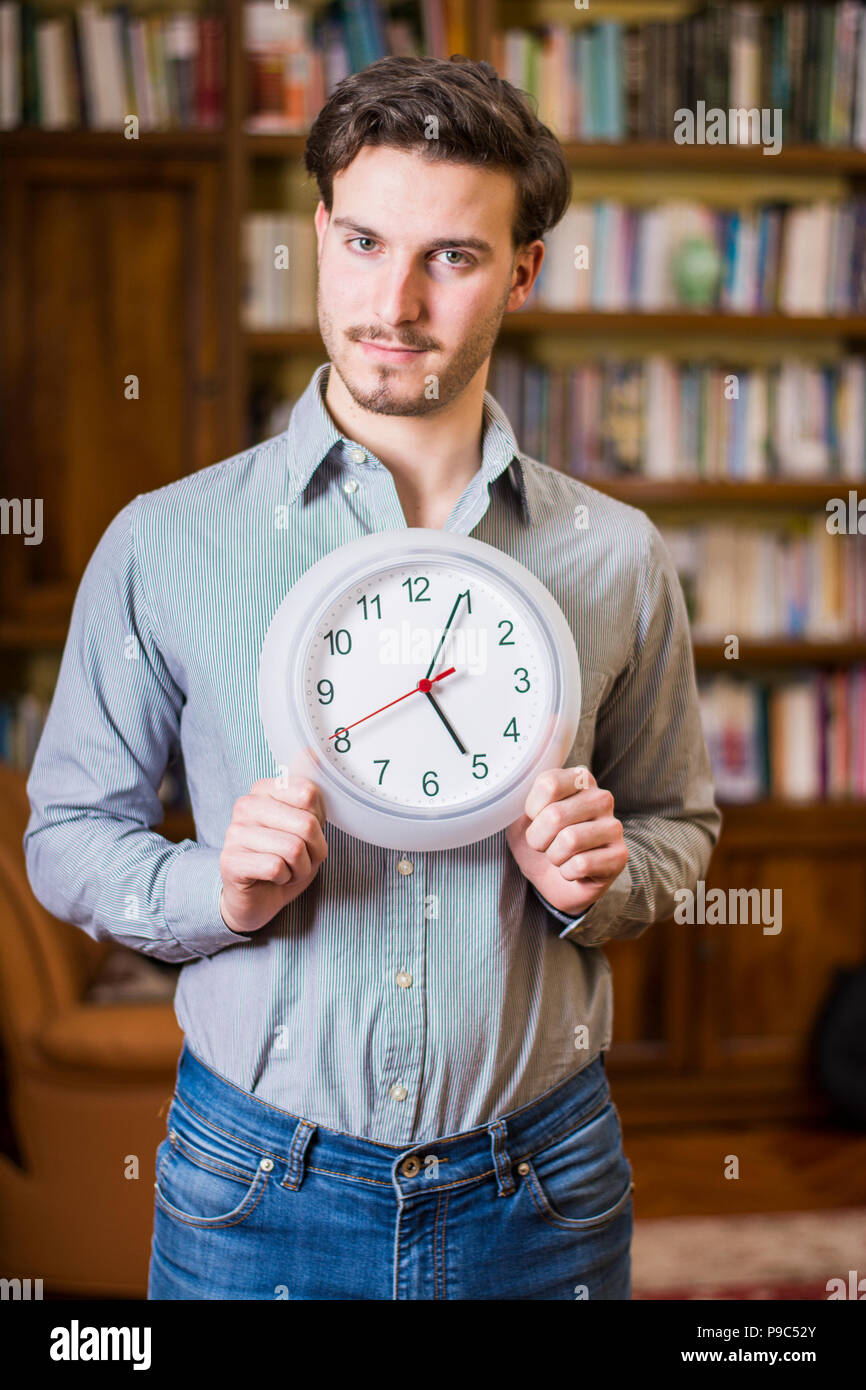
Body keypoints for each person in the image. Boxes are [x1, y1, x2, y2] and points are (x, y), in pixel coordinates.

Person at [24, 54, 721, 1300]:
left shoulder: (612, 556)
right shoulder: (166, 540)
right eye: (361, 241)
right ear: (317, 236)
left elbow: (679, 823)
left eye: (450, 256)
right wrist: (214, 891)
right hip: (251, 1187)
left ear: (521, 270)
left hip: (542, 1186)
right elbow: (68, 834)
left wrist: (602, 883)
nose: (393, 301)